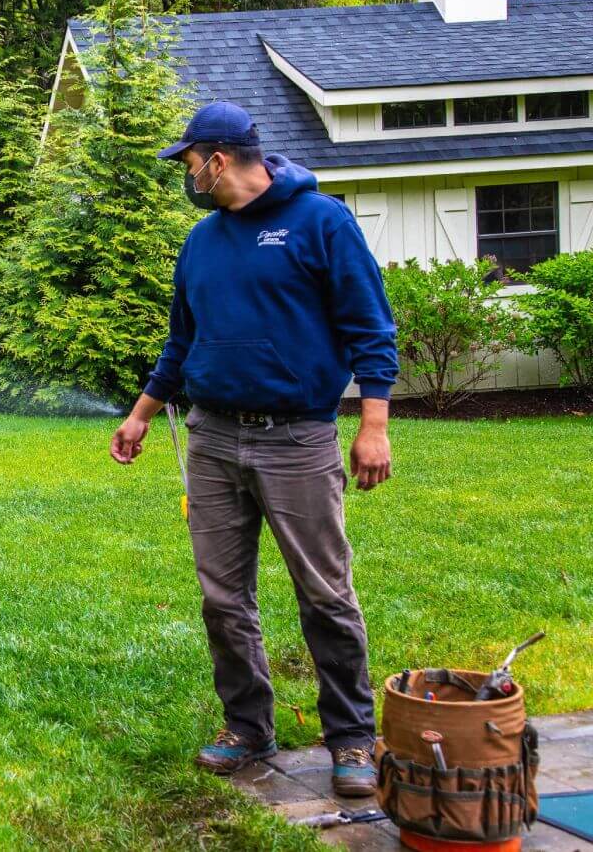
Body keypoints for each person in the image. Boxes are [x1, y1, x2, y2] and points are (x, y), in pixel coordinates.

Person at [109, 100, 398, 798]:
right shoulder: (202, 241)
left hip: (297, 437)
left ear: (217, 158)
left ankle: (353, 735)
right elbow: (183, 340)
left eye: (187, 161)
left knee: (324, 592)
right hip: (212, 437)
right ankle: (248, 724)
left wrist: (374, 424)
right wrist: (142, 413)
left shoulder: (321, 222)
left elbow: (371, 327)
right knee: (222, 595)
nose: (184, 174)